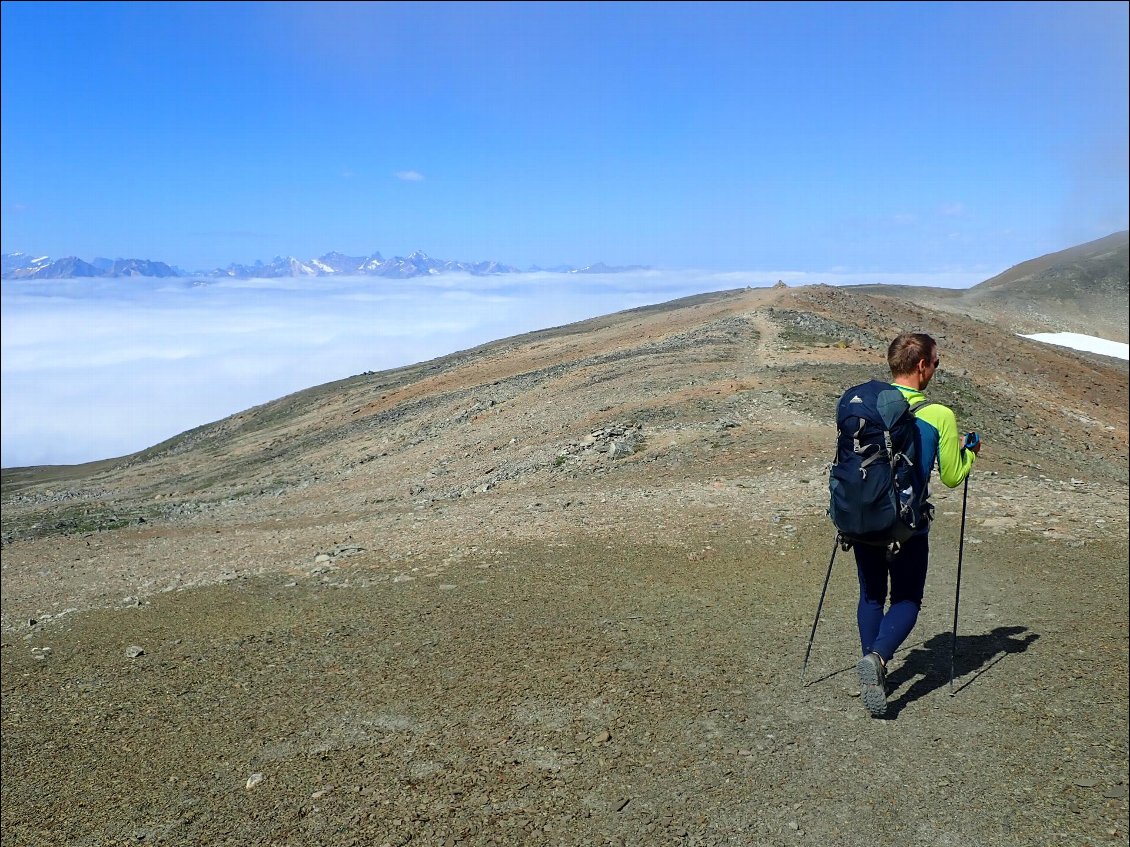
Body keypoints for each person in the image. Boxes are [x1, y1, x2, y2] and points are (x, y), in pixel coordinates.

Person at [855, 332, 980, 717]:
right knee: (907, 598)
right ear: (922, 365)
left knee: (872, 596)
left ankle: (874, 667)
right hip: (908, 523)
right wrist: (969, 451)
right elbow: (954, 476)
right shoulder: (938, 414)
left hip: (863, 517)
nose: (935, 370)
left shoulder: (866, 406)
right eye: (936, 363)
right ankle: (877, 659)